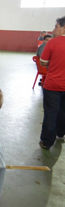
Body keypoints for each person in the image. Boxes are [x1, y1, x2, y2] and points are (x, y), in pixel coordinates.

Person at [39, 16, 65, 150]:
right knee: (63, 111)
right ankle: (61, 133)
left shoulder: (53, 43)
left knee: (50, 112)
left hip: (52, 85)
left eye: (56, 26)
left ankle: (47, 141)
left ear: (63, 27)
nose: (54, 29)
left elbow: (43, 62)